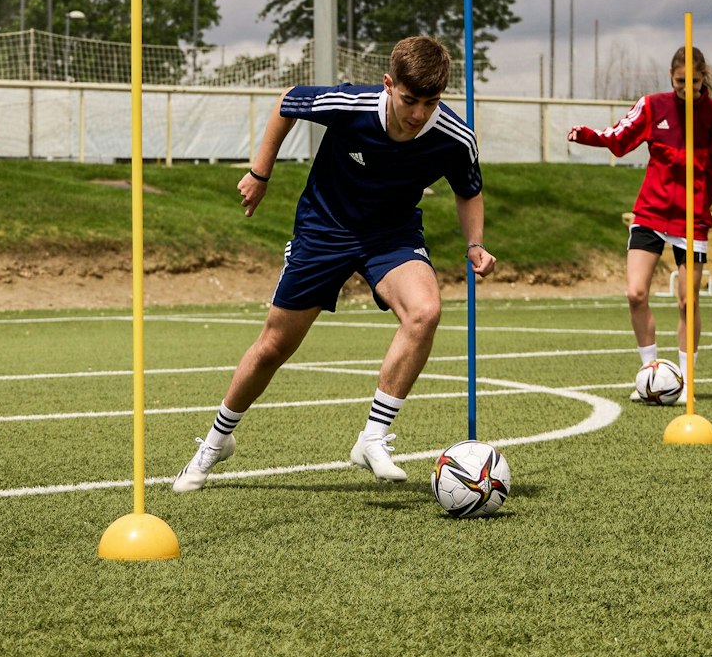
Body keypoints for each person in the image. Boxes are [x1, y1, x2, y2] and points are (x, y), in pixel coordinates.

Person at [173, 36, 496, 493]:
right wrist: (260, 173)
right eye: (409, 100)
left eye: (431, 102)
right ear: (388, 85)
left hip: (392, 235)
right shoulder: (351, 104)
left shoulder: (454, 137)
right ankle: (216, 441)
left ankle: (373, 436)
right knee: (273, 346)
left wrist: (475, 244)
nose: (419, 113)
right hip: (324, 229)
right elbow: (287, 102)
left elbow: (469, 190)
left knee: (424, 311)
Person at [566, 45, 712, 403]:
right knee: (635, 293)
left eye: (695, 81)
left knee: (688, 303)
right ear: (671, 78)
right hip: (650, 215)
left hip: (692, 223)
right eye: (680, 81)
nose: (688, 88)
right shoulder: (653, 106)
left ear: (706, 78)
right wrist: (588, 135)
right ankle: (651, 376)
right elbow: (620, 139)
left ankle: (686, 380)